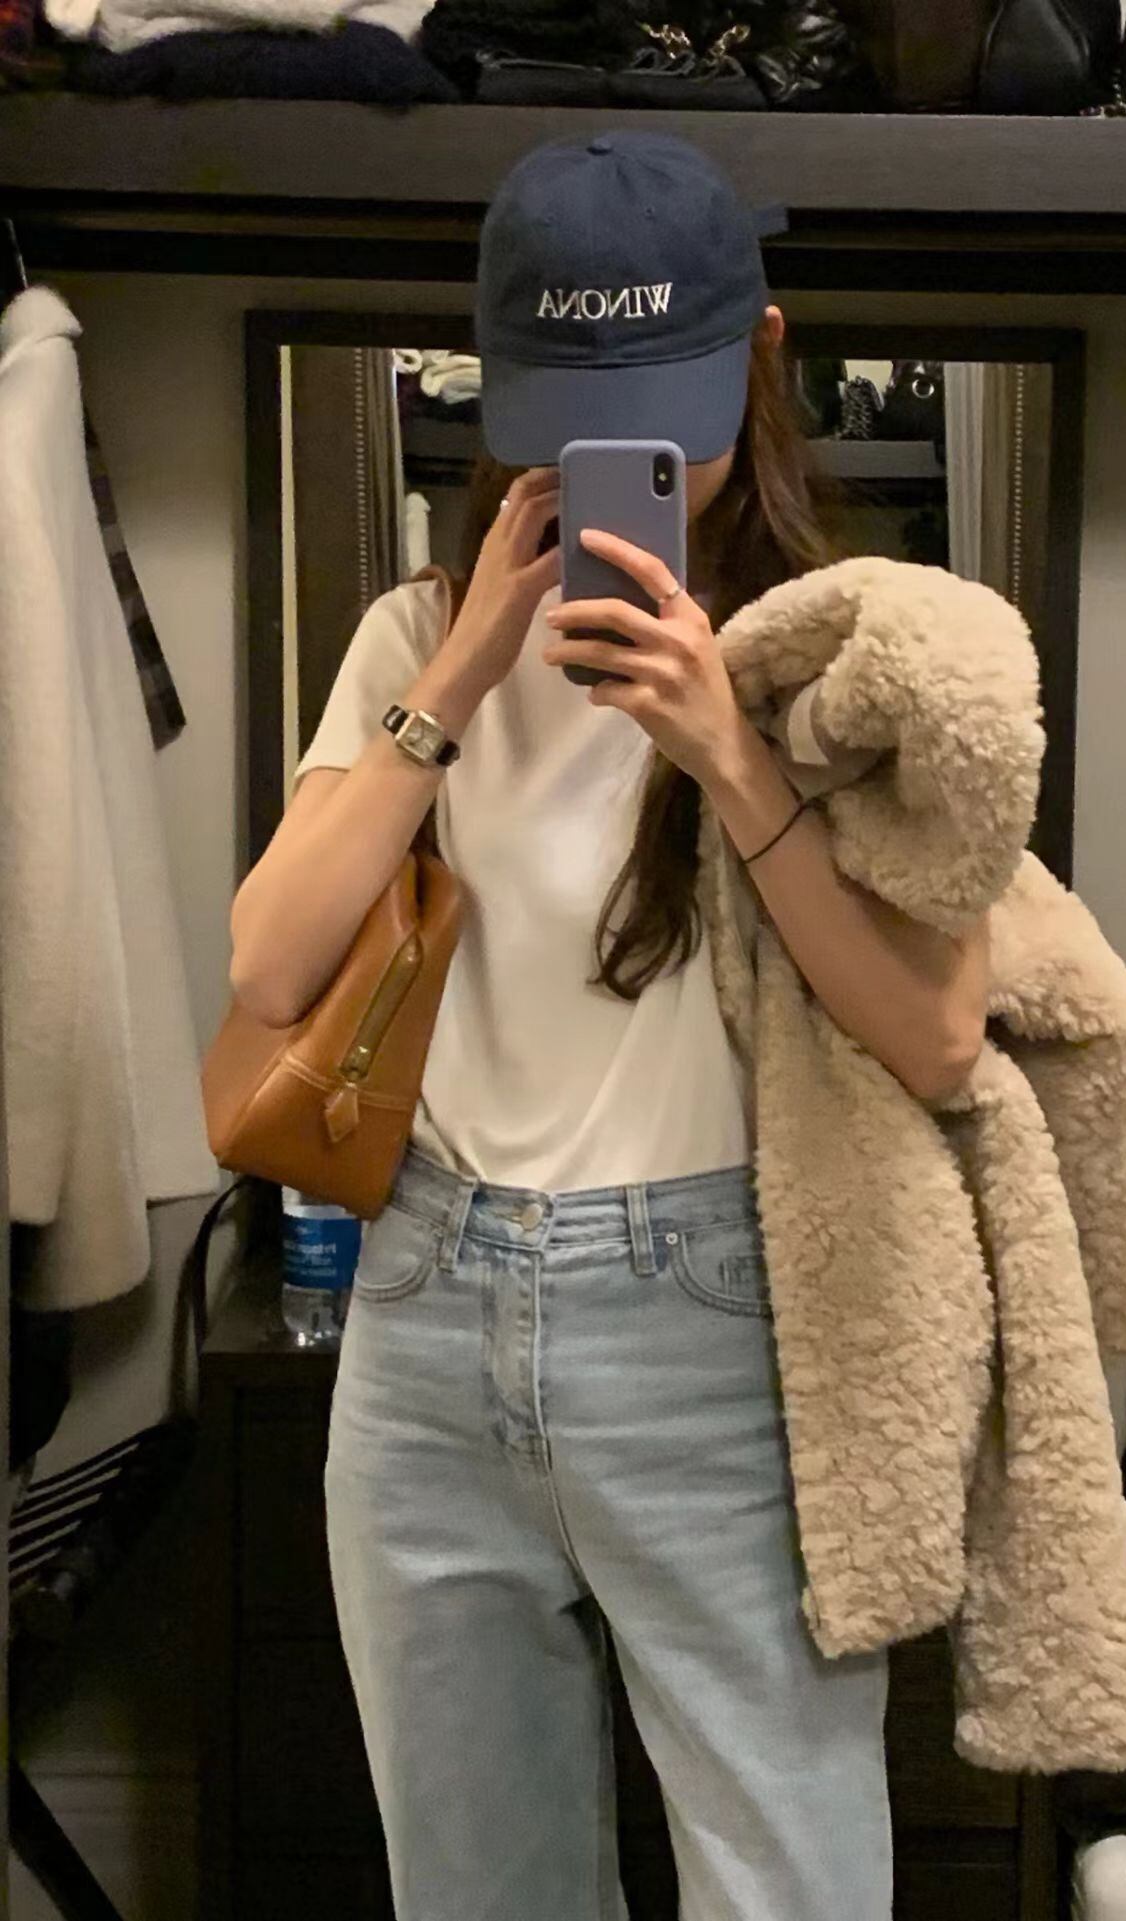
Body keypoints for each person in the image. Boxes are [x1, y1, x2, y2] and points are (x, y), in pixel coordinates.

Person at [227, 129, 990, 1921]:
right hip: (428, 1310)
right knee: (473, 1888)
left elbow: (941, 1038)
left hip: (708, 1315)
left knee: (789, 1883)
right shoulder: (417, 637)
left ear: (762, 352)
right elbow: (269, 966)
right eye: (561, 417)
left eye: (652, 418)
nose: (597, 466)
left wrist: (728, 754)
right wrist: (461, 669)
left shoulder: (853, 652)